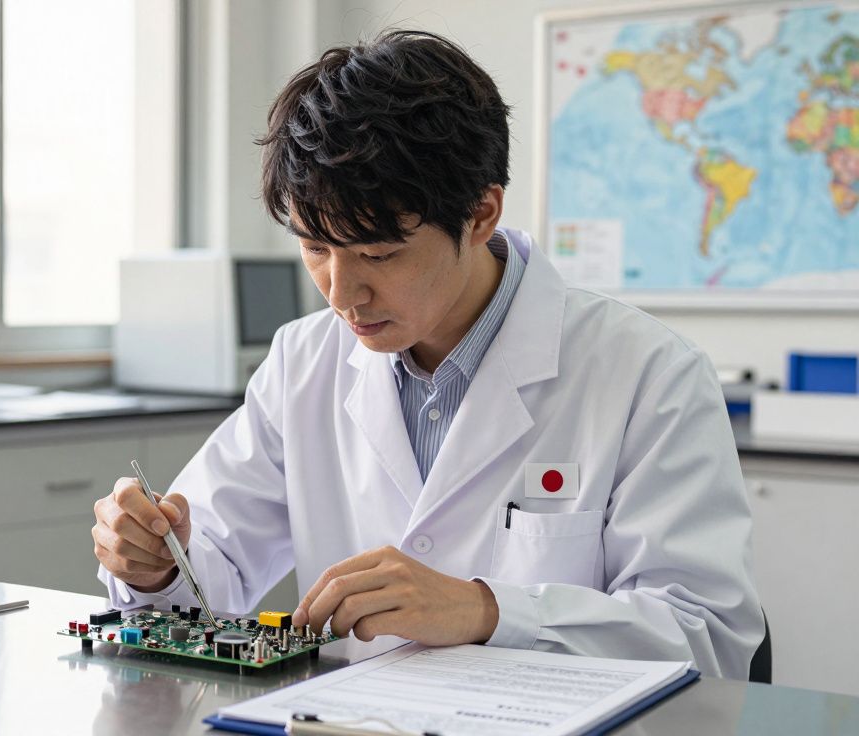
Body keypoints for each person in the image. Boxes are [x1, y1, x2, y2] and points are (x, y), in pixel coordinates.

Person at [91, 30, 764, 677]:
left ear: (480, 215)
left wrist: (487, 610)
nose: (341, 293)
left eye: (379, 254)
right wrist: (157, 562)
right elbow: (208, 576)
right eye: (315, 248)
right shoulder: (304, 361)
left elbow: (705, 638)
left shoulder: (650, 373)